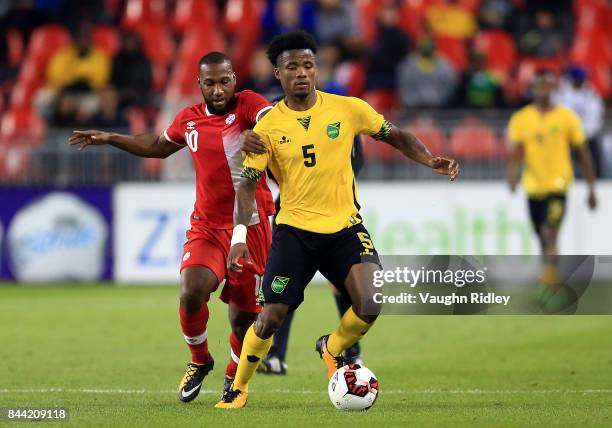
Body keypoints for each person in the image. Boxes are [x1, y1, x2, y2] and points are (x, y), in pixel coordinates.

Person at [216, 30, 459, 409]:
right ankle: (238, 386)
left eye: (308, 65)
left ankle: (332, 347)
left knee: (372, 300)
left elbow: (395, 135)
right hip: (294, 232)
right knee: (270, 319)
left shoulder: (348, 109)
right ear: (277, 75)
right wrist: (240, 237)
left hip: (345, 228)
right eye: (292, 66)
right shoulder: (266, 129)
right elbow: (247, 187)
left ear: (318, 69)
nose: (302, 73)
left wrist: (429, 159)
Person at [68, 52, 276, 402]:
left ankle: (233, 377)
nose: (218, 89)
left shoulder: (248, 106)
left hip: (251, 226)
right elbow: (158, 146)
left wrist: (265, 136)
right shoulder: (189, 119)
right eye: (209, 83)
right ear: (199, 85)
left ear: (234, 79)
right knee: (190, 290)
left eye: (224, 80)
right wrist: (112, 137)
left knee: (244, 319)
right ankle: (200, 360)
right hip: (207, 225)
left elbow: (273, 119)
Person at [506, 69, 597, 306]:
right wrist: (512, 175)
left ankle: (546, 289)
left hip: (558, 185)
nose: (542, 90)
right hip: (533, 187)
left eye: (547, 86)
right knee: (542, 238)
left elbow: (582, 153)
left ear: (553, 89)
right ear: (533, 89)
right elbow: (516, 151)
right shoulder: (521, 119)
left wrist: (591, 187)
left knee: (550, 233)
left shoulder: (567, 118)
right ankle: (551, 281)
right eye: (539, 86)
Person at [553, 66, 605, 178]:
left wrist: (582, 133)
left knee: (593, 155)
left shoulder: (591, 93)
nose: (578, 81)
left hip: (587, 135)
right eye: (576, 79)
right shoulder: (561, 93)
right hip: (566, 136)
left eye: (580, 79)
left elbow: (595, 116)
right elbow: (557, 114)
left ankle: (596, 178)